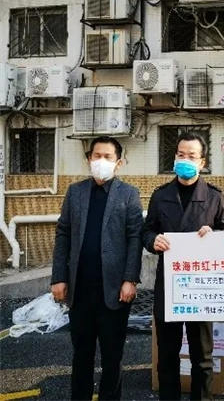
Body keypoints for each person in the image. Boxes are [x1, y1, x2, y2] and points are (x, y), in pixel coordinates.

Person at [51, 136, 143, 400]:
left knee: (113, 356)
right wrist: (58, 277)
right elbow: (63, 233)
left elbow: (135, 237)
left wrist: (130, 279)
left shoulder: (129, 194)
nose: (101, 161)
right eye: (96, 156)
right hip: (80, 288)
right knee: (81, 354)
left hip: (114, 290)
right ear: (89, 159)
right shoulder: (75, 192)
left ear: (119, 163)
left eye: (107, 157)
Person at [142, 131, 224, 401]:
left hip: (200, 286)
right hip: (169, 285)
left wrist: (214, 236)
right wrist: (153, 240)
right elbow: (147, 231)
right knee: (167, 355)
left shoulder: (214, 196)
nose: (185, 160)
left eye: (191, 156)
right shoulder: (160, 195)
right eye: (181, 155)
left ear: (202, 162)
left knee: (202, 356)